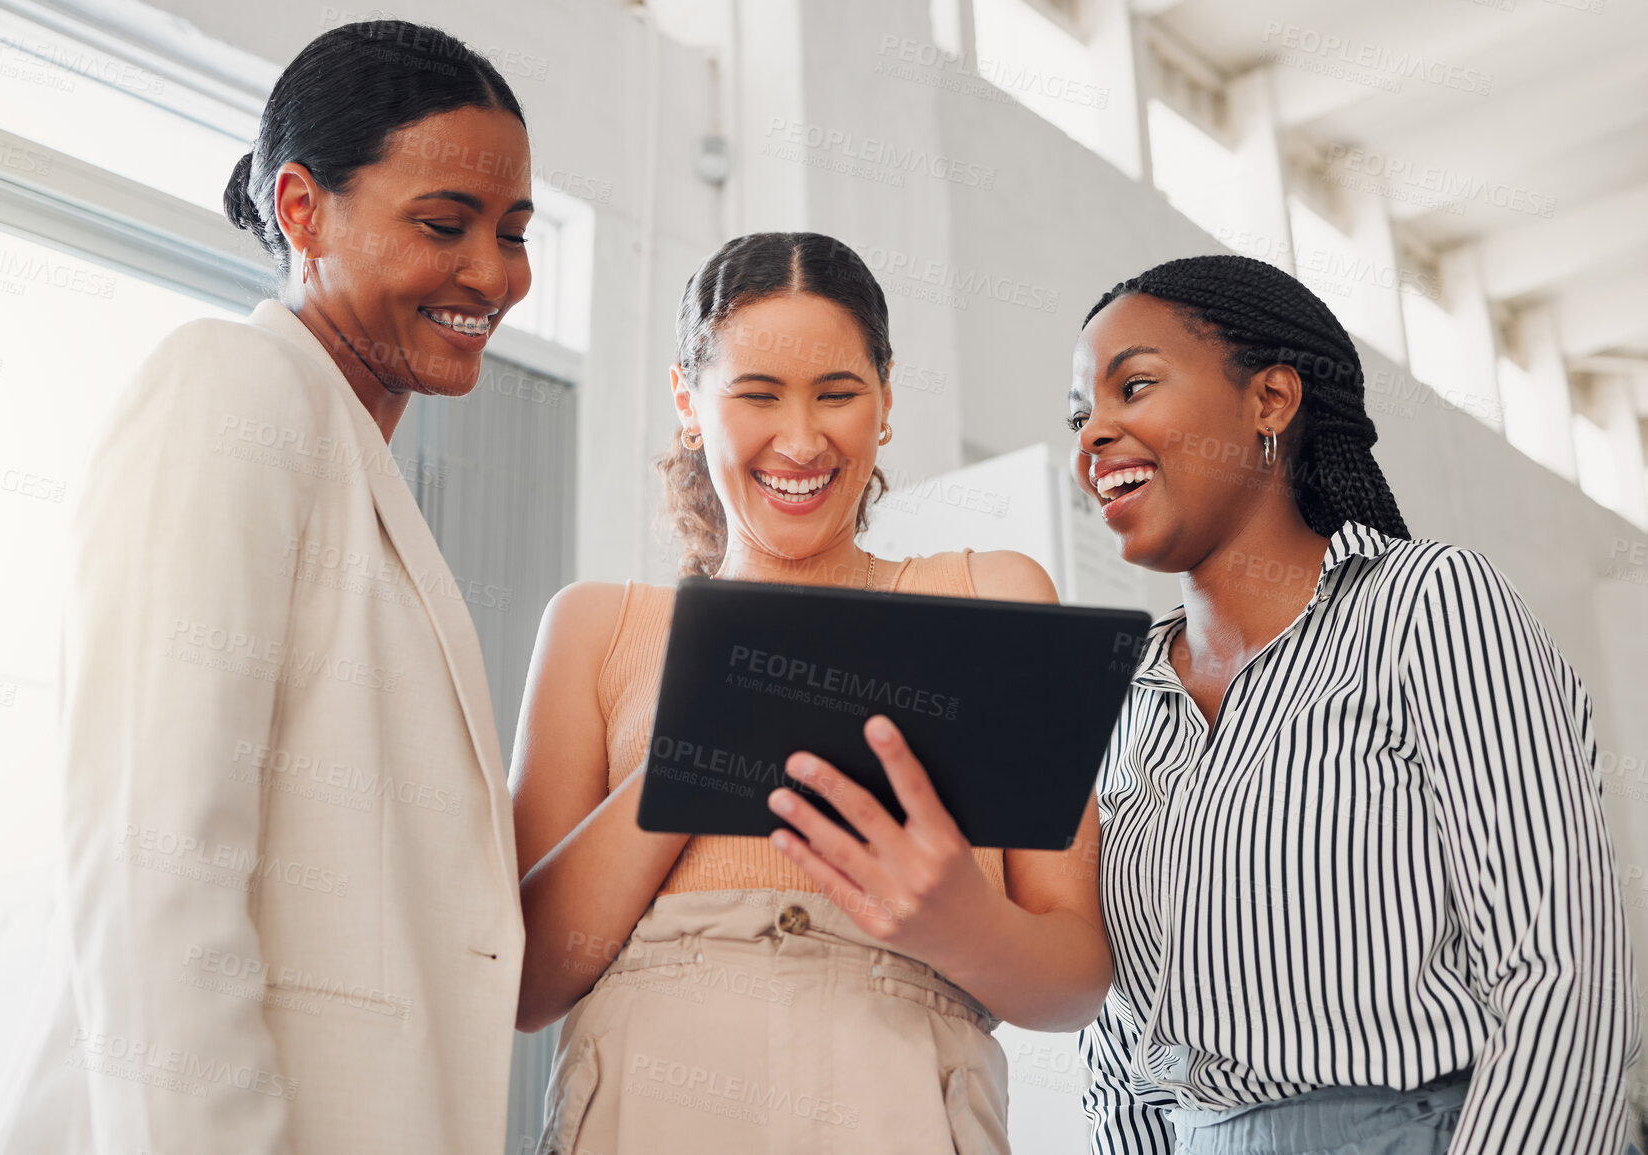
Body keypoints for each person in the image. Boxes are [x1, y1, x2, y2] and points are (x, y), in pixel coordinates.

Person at [0, 20, 534, 1154]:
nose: (494, 273)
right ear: (301, 209)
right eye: (446, 224)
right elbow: (157, 871)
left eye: (515, 231)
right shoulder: (229, 390)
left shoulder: (353, 467)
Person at [510, 232, 1111, 1154]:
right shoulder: (597, 627)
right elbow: (528, 983)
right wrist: (710, 733)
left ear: (884, 400)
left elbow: (1074, 980)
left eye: (837, 394)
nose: (800, 439)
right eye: (755, 396)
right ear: (687, 401)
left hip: (903, 1103)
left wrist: (963, 921)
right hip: (651, 1104)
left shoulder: (993, 595)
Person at [1068, 254, 1641, 1154]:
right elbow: (1114, 1052)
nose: (1093, 436)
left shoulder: (1427, 607)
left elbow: (1563, 971)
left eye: (1132, 387)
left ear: (1271, 400)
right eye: (1080, 415)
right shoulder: (1122, 698)